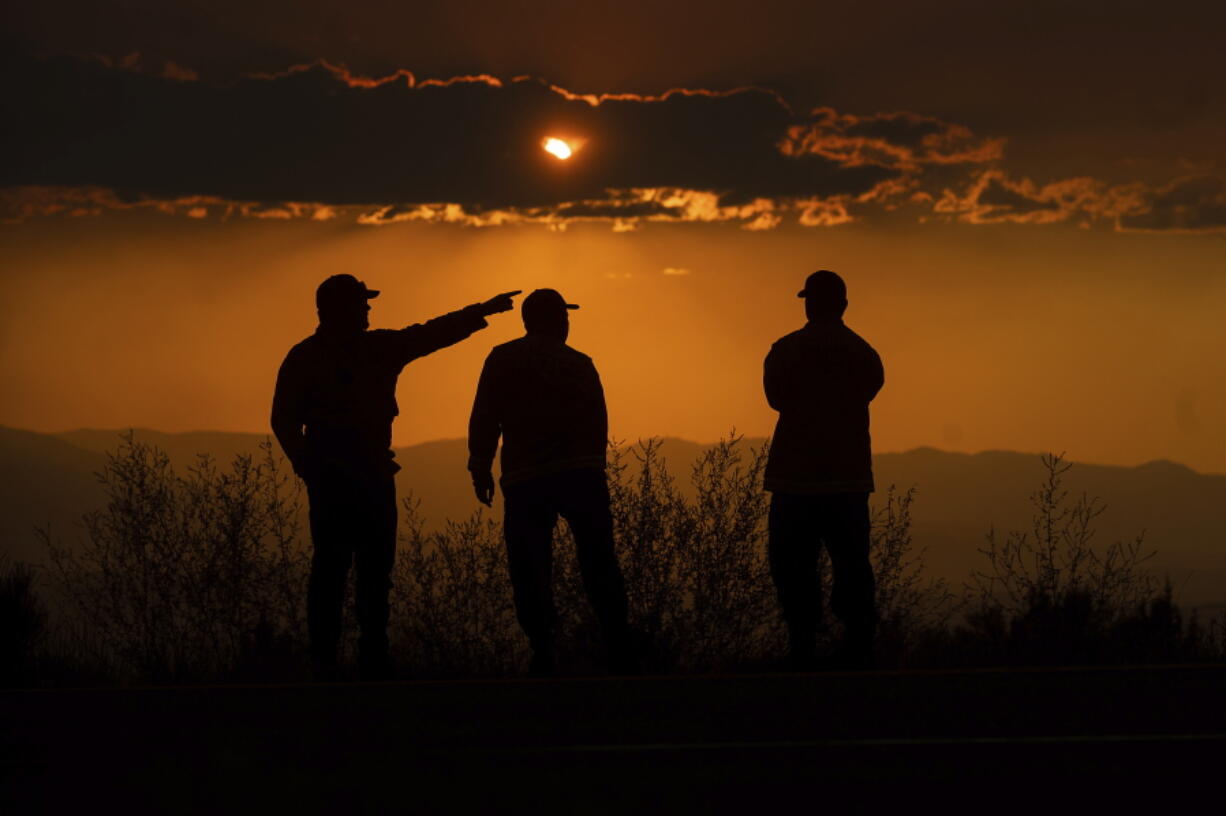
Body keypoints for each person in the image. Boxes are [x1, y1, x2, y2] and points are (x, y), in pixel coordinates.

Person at [272, 273, 520, 680]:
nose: (369, 309)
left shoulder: (319, 355)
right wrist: (308, 466)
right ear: (339, 309)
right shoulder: (358, 352)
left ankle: (346, 659)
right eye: (361, 303)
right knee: (347, 569)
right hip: (354, 476)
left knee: (354, 569)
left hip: (356, 475)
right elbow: (282, 419)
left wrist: (480, 312)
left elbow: (430, 334)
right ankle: (348, 659)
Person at [467, 288, 633, 676]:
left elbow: (485, 416)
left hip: (525, 480)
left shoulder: (502, 359)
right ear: (557, 319)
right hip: (580, 475)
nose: (567, 323)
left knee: (529, 566)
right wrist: (595, 472)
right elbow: (598, 421)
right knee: (598, 562)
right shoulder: (578, 363)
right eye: (564, 316)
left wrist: (480, 465)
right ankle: (617, 644)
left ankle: (543, 649)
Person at [763, 270, 884, 670]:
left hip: (794, 480)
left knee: (792, 564)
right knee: (851, 563)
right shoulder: (863, 353)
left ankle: (802, 647)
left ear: (808, 303)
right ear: (844, 305)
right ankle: (858, 647)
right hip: (848, 480)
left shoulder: (785, 350)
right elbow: (871, 388)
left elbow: (775, 399)